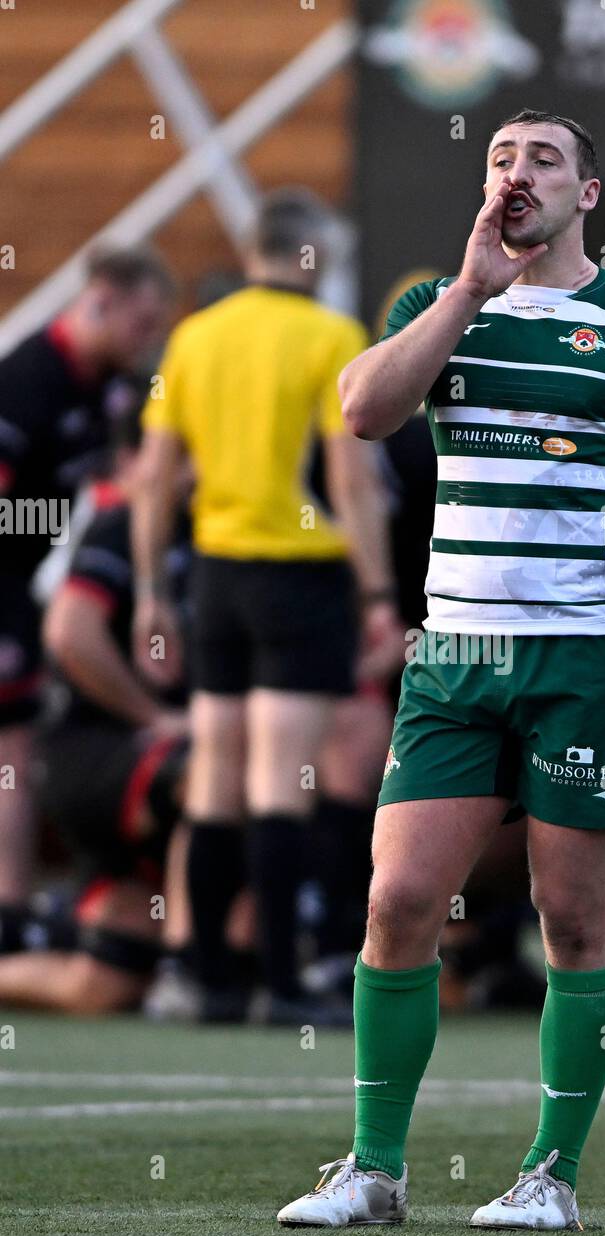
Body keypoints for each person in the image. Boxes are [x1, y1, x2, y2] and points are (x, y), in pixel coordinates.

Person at [276, 109, 605, 1231]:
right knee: (398, 899)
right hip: (454, 655)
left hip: (588, 657)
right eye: (500, 160)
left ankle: (550, 1177)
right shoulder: (438, 308)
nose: (518, 175)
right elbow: (365, 411)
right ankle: (375, 1169)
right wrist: (467, 293)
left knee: (573, 919)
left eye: (544, 161)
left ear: (588, 193)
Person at [133, 189, 403, 1025]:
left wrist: (151, 593)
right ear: (311, 254)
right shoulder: (329, 336)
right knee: (283, 780)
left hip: (215, 573)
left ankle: (208, 977)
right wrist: (379, 591)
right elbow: (352, 477)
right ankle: (280, 986)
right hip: (300, 573)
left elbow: (152, 479)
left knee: (216, 777)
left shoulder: (194, 335)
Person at [0, 245, 175, 948]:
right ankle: (9, 915)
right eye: (139, 323)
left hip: (16, 584)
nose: (145, 341)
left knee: (16, 743)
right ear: (98, 298)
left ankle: (12, 912)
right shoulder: (27, 382)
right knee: (10, 747)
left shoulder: (107, 387)